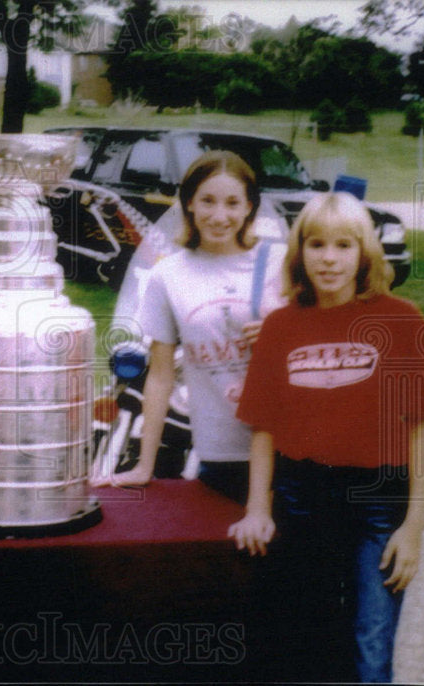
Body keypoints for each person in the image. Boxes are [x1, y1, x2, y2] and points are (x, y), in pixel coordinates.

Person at [228, 192, 424, 682]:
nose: (329, 258)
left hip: (378, 502)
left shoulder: (400, 320)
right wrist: (257, 508)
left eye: (344, 245)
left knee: (370, 643)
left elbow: (421, 428)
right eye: (317, 244)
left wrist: (414, 527)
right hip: (302, 497)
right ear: (299, 252)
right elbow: (263, 426)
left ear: (364, 252)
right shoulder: (281, 326)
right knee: (309, 639)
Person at [95, 150, 285, 501]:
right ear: (189, 204)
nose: (219, 215)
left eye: (232, 203)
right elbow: (160, 376)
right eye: (208, 201)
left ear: (249, 207)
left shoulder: (280, 263)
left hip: (285, 452)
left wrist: (286, 334)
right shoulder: (169, 274)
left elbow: (329, 330)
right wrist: (143, 464)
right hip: (216, 451)